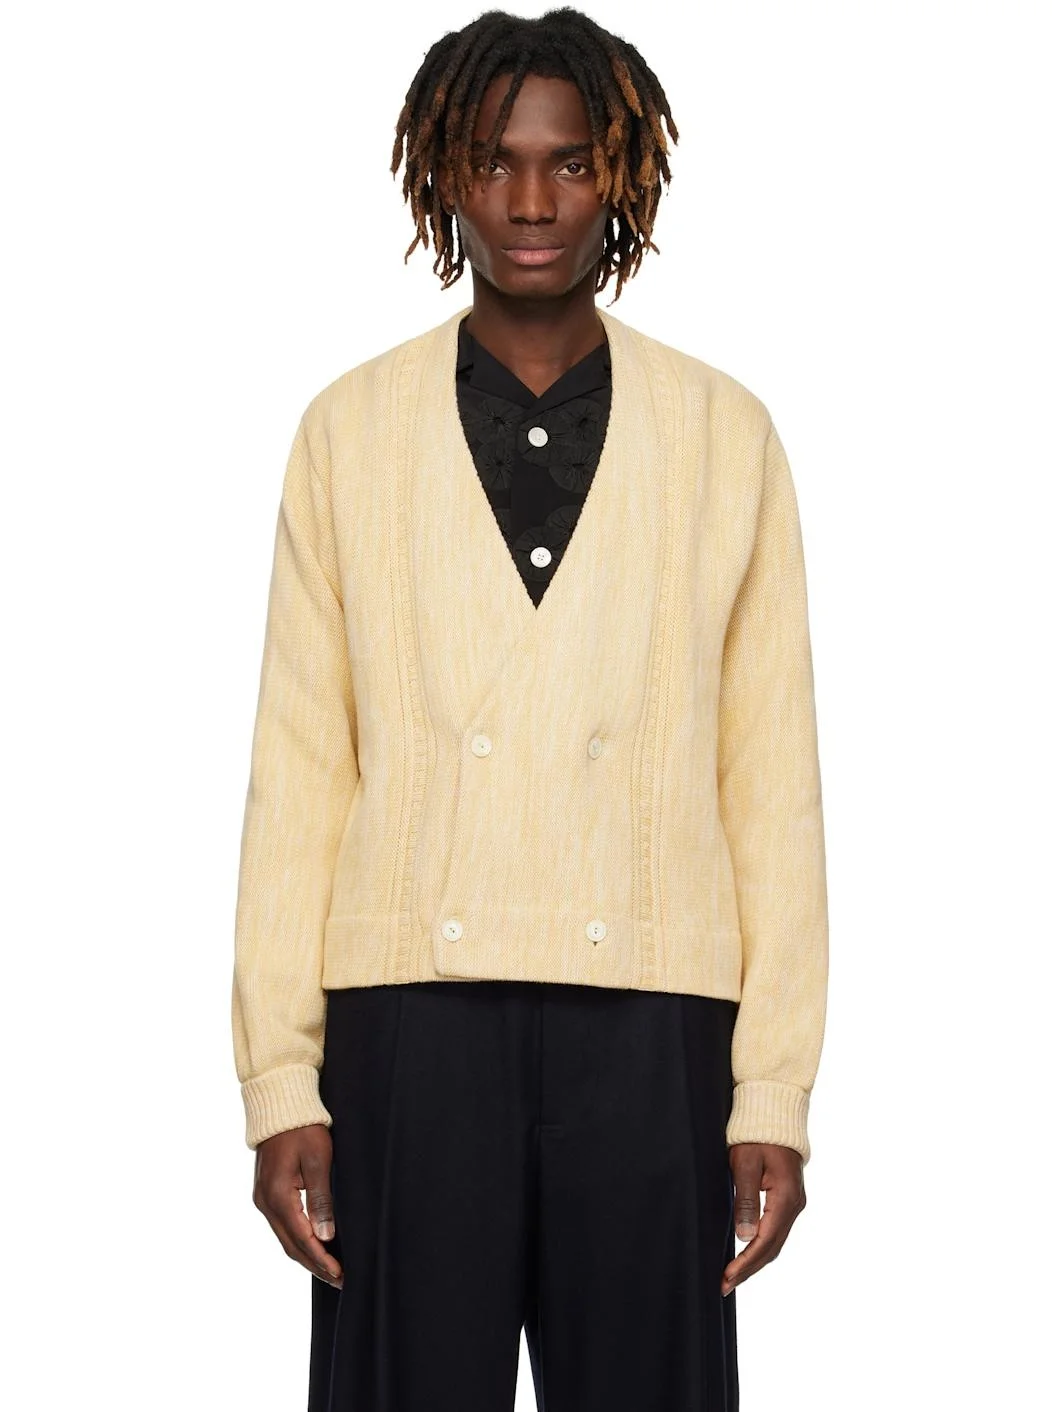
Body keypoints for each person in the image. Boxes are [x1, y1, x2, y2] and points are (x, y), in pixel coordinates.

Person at [231, 8, 829, 1410]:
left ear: (620, 174)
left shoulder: (724, 435)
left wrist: (772, 1093)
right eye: (495, 161)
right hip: (408, 1023)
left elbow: (771, 783)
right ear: (445, 171)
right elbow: (300, 772)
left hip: (655, 1021)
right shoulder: (349, 431)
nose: (530, 200)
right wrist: (281, 1082)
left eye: (568, 163)